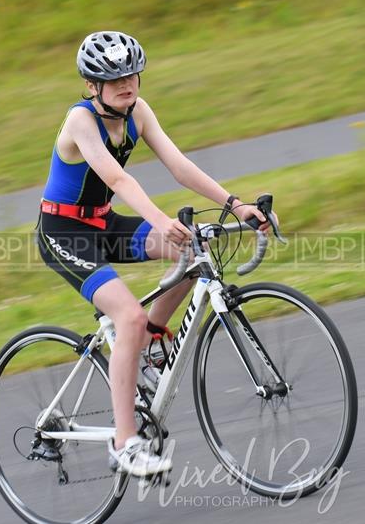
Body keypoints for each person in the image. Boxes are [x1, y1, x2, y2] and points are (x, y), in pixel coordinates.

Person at [36, 31, 273, 477]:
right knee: (126, 315)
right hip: (63, 232)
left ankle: (148, 347)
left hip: (102, 224)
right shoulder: (80, 122)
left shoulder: (138, 113)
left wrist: (234, 204)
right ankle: (124, 444)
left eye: (131, 74)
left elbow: (179, 165)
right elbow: (121, 181)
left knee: (195, 247)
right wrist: (162, 219)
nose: (127, 84)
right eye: (113, 78)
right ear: (92, 86)